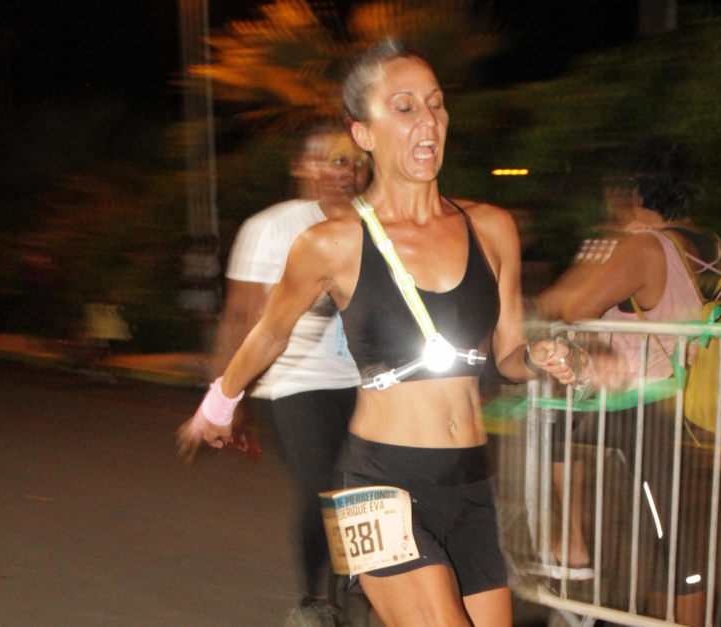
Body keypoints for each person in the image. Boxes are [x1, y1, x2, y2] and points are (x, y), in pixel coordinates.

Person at [178, 39, 576, 627]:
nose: (429, 121)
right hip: (374, 485)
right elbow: (268, 333)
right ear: (363, 132)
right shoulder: (331, 242)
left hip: (468, 481)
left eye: (437, 104)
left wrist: (539, 355)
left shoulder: (492, 229)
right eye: (405, 106)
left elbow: (507, 354)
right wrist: (218, 404)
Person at [537, 137, 721, 626]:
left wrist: (606, 245)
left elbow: (567, 305)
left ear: (634, 191)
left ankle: (572, 551)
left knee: (672, 538)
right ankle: (574, 551)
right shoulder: (711, 246)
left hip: (638, 400)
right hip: (681, 395)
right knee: (664, 528)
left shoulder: (645, 247)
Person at [205, 122, 371, 626]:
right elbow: (240, 317)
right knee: (326, 484)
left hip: (365, 379)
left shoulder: (377, 222)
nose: (348, 172)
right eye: (334, 160)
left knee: (367, 486)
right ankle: (312, 599)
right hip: (293, 382)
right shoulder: (270, 227)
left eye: (356, 162)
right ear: (302, 167)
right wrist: (223, 398)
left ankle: (359, 588)